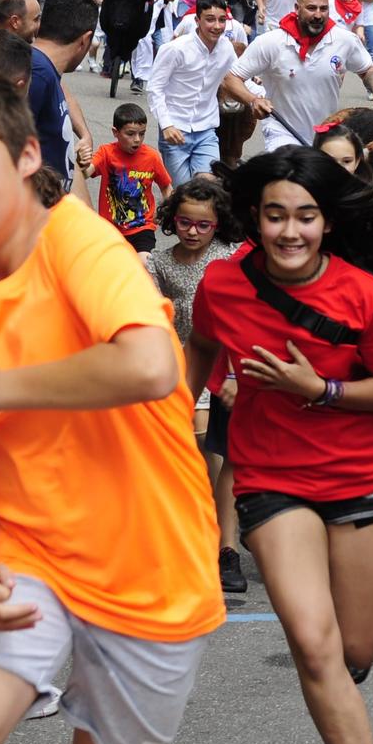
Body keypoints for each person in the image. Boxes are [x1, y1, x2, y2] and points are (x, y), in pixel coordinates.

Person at [0, 64, 225, 744]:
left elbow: (148, 366)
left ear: (28, 156)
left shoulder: (81, 241)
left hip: (150, 563)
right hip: (24, 553)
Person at [189, 147, 373, 744]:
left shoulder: (367, 295)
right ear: (254, 218)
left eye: (304, 216)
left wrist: (318, 387)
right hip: (271, 479)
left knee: (356, 648)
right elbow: (203, 346)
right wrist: (173, 418)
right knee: (312, 638)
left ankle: (337, 679)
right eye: (275, 216)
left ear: (327, 223)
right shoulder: (221, 283)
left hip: (360, 478)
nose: (289, 231)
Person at [143, 177, 247, 594]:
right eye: (185, 222)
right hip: (186, 363)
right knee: (197, 451)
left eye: (203, 225)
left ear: (217, 224)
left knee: (213, 449)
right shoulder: (163, 264)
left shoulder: (231, 257)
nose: (192, 231)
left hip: (228, 367)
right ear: (172, 220)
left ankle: (224, 539)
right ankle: (206, 524)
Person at [222, 0, 373, 150]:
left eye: (323, 9)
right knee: (293, 174)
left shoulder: (345, 40)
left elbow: (367, 70)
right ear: (297, 8)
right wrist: (253, 100)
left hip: (325, 133)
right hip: (281, 132)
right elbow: (230, 79)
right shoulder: (270, 42)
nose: (318, 15)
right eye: (311, 8)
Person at [149, 0, 236, 183]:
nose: (217, 26)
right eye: (210, 20)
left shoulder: (226, 48)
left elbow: (237, 79)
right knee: (183, 194)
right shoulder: (175, 49)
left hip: (207, 131)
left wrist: (261, 94)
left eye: (222, 20)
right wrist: (167, 125)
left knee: (207, 187)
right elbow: (155, 88)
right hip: (175, 132)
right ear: (197, 20)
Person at [26, 0, 98, 191]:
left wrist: (84, 134)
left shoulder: (45, 70)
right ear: (85, 40)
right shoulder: (37, 74)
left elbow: (62, 89)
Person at [87, 103, 172, 252]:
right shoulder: (106, 153)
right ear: (116, 132)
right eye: (130, 134)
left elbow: (166, 186)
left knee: (144, 264)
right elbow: (86, 172)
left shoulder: (151, 157)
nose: (137, 139)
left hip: (142, 228)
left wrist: (167, 209)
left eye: (142, 133)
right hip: (110, 229)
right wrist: (81, 163)